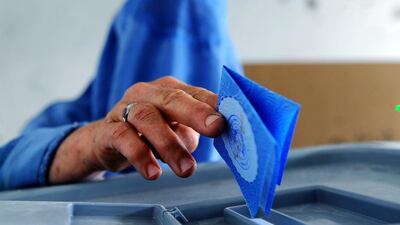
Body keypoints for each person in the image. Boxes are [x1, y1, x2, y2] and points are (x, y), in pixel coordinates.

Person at [0, 0, 241, 190]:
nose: (173, 64)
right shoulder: (58, 123)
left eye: (199, 44)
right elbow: (8, 167)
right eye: (154, 30)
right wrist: (89, 144)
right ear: (119, 42)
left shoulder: (253, 135)